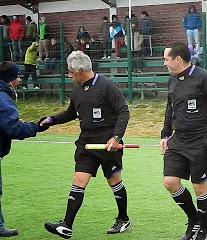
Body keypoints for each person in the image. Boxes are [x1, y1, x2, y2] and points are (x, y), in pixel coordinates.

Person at [39, 51, 131, 239]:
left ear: (81, 70)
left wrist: (116, 137)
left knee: (114, 181)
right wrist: (51, 120)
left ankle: (123, 219)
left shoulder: (106, 86)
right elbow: (71, 113)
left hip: (107, 145)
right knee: (78, 180)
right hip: (86, 144)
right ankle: (67, 225)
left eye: (71, 72)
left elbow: (123, 111)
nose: (69, 75)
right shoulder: (77, 89)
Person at [161, 42, 207, 240]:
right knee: (170, 182)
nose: (164, 62)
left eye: (166, 58)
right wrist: (165, 134)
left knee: (200, 188)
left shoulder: (204, 78)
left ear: (178, 59)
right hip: (178, 140)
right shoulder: (172, 80)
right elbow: (169, 107)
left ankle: (205, 232)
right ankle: (194, 220)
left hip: (202, 140)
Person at [0, 61, 47, 237]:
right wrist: (36, 127)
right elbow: (13, 128)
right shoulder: (3, 99)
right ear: (10, 78)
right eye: (17, 76)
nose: (20, 79)